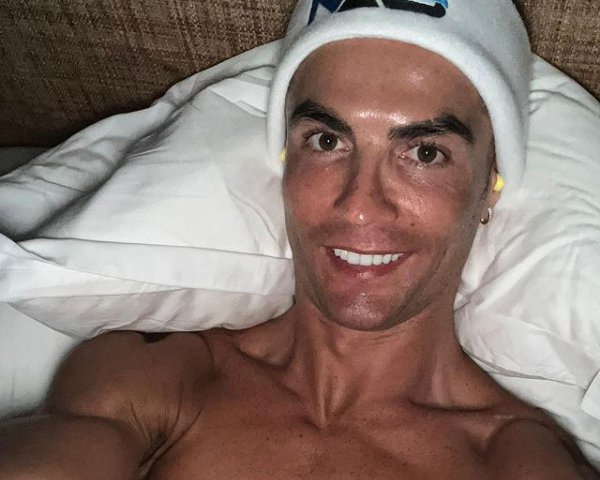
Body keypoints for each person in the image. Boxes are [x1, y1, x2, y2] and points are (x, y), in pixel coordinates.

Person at [0, 0, 598, 478]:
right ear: (285, 163)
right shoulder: (155, 383)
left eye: (424, 153)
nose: (360, 204)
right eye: (327, 141)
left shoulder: (514, 460)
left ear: (490, 186)